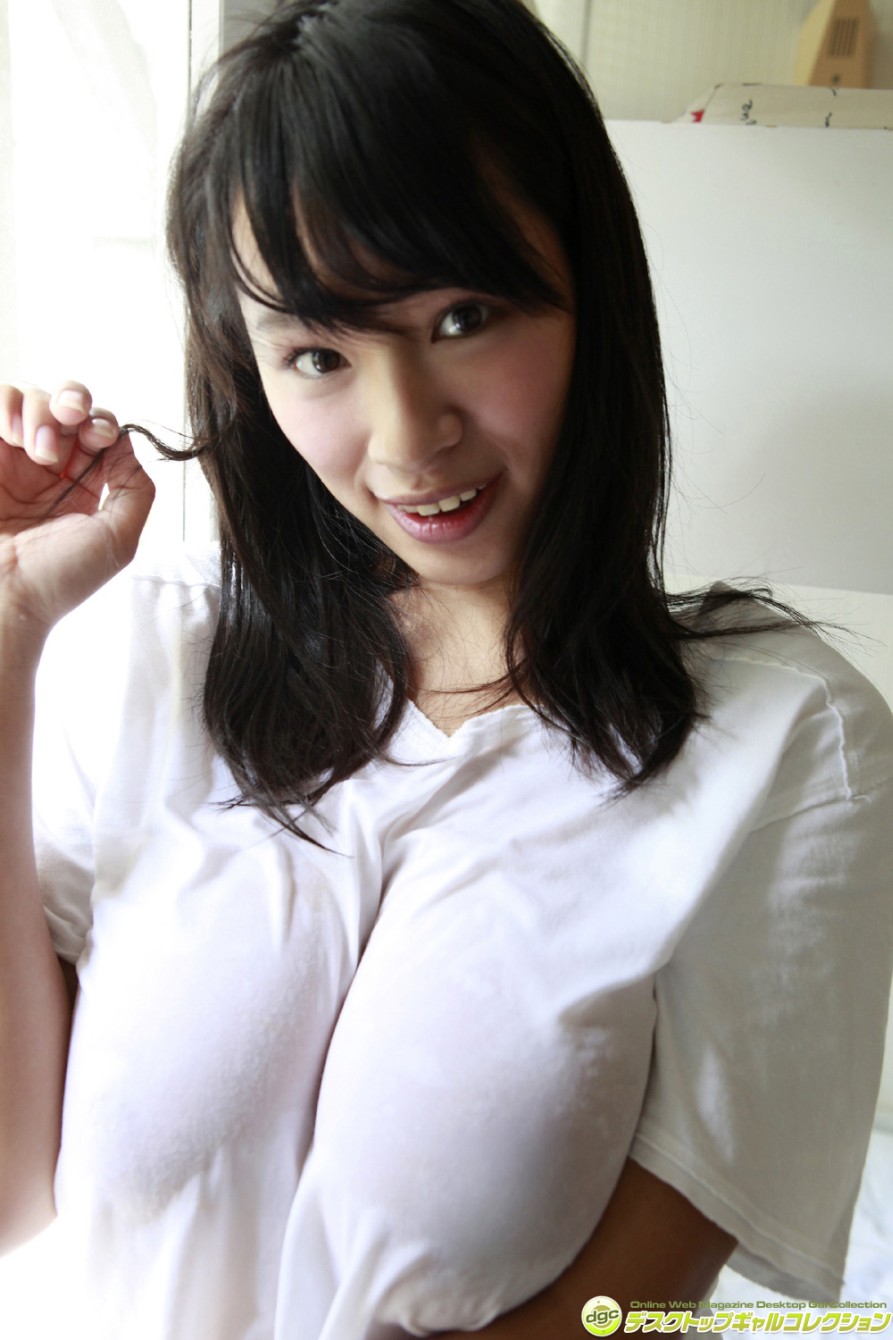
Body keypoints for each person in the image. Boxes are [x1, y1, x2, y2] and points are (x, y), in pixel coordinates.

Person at [1, 0, 891, 1336]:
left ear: (589, 294)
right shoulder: (155, 647)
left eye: (464, 316)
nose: (407, 439)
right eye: (317, 354)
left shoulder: (786, 743)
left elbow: (618, 1318)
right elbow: (12, 1189)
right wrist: (10, 629)